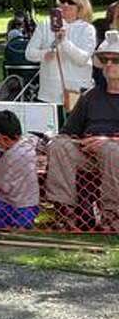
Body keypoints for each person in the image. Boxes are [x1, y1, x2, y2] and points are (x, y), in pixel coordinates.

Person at [45, 30, 119, 229]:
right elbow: (68, 132)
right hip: (88, 152)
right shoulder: (90, 96)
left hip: (114, 152)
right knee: (59, 145)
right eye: (105, 59)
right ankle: (65, 212)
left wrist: (108, 140)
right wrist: (80, 143)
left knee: (112, 151)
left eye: (116, 60)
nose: (110, 64)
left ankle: (113, 216)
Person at [24, 0, 97, 107]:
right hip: (49, 94)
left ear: (80, 4)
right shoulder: (46, 24)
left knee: (76, 126)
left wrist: (64, 42)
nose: (65, 5)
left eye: (71, 2)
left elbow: (82, 59)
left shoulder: (87, 29)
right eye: (62, 0)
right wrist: (45, 54)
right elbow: (29, 53)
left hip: (77, 92)